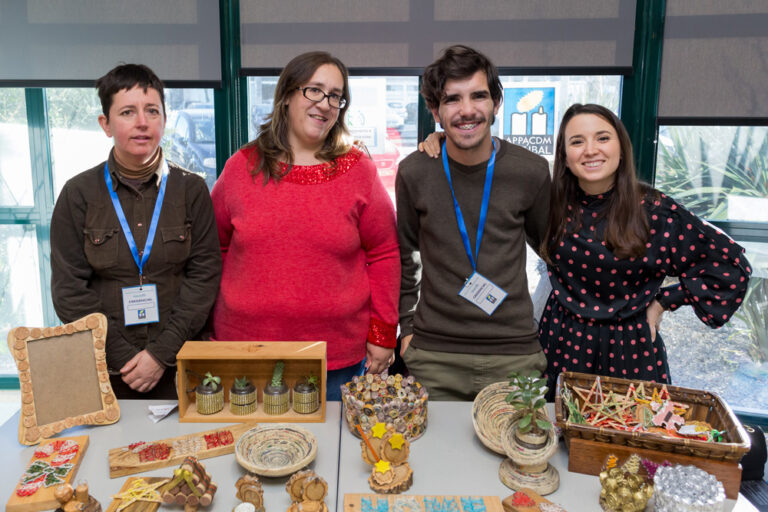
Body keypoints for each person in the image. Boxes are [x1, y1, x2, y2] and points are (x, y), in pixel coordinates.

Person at [211, 52, 400, 400]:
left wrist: (383, 333)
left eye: (335, 96)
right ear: (286, 96)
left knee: (331, 454)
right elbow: (214, 250)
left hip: (336, 359)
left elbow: (385, 253)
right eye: (314, 90)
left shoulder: (360, 171)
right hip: (245, 353)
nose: (325, 104)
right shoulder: (240, 168)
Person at [538, 103, 751, 393]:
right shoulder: (550, 205)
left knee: (630, 434)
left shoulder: (655, 211)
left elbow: (729, 267)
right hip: (562, 342)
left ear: (621, 148)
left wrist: (664, 301)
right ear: (564, 156)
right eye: (577, 141)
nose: (590, 150)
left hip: (628, 349)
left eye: (602, 138)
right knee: (559, 431)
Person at [50, 64, 222, 399]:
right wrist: (123, 356)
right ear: (106, 124)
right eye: (128, 112)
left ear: (164, 119)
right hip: (106, 372)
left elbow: (204, 278)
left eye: (152, 111)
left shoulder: (192, 190)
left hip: (179, 369)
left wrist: (160, 354)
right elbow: (69, 291)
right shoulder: (78, 193)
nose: (142, 122)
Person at [397, 45, 551, 401]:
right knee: (427, 457)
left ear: (497, 103)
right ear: (435, 111)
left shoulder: (530, 171)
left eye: (478, 96)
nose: (467, 110)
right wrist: (407, 333)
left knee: (521, 456)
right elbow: (406, 257)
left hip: (514, 354)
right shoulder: (415, 172)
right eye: (452, 99)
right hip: (433, 355)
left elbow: (553, 252)